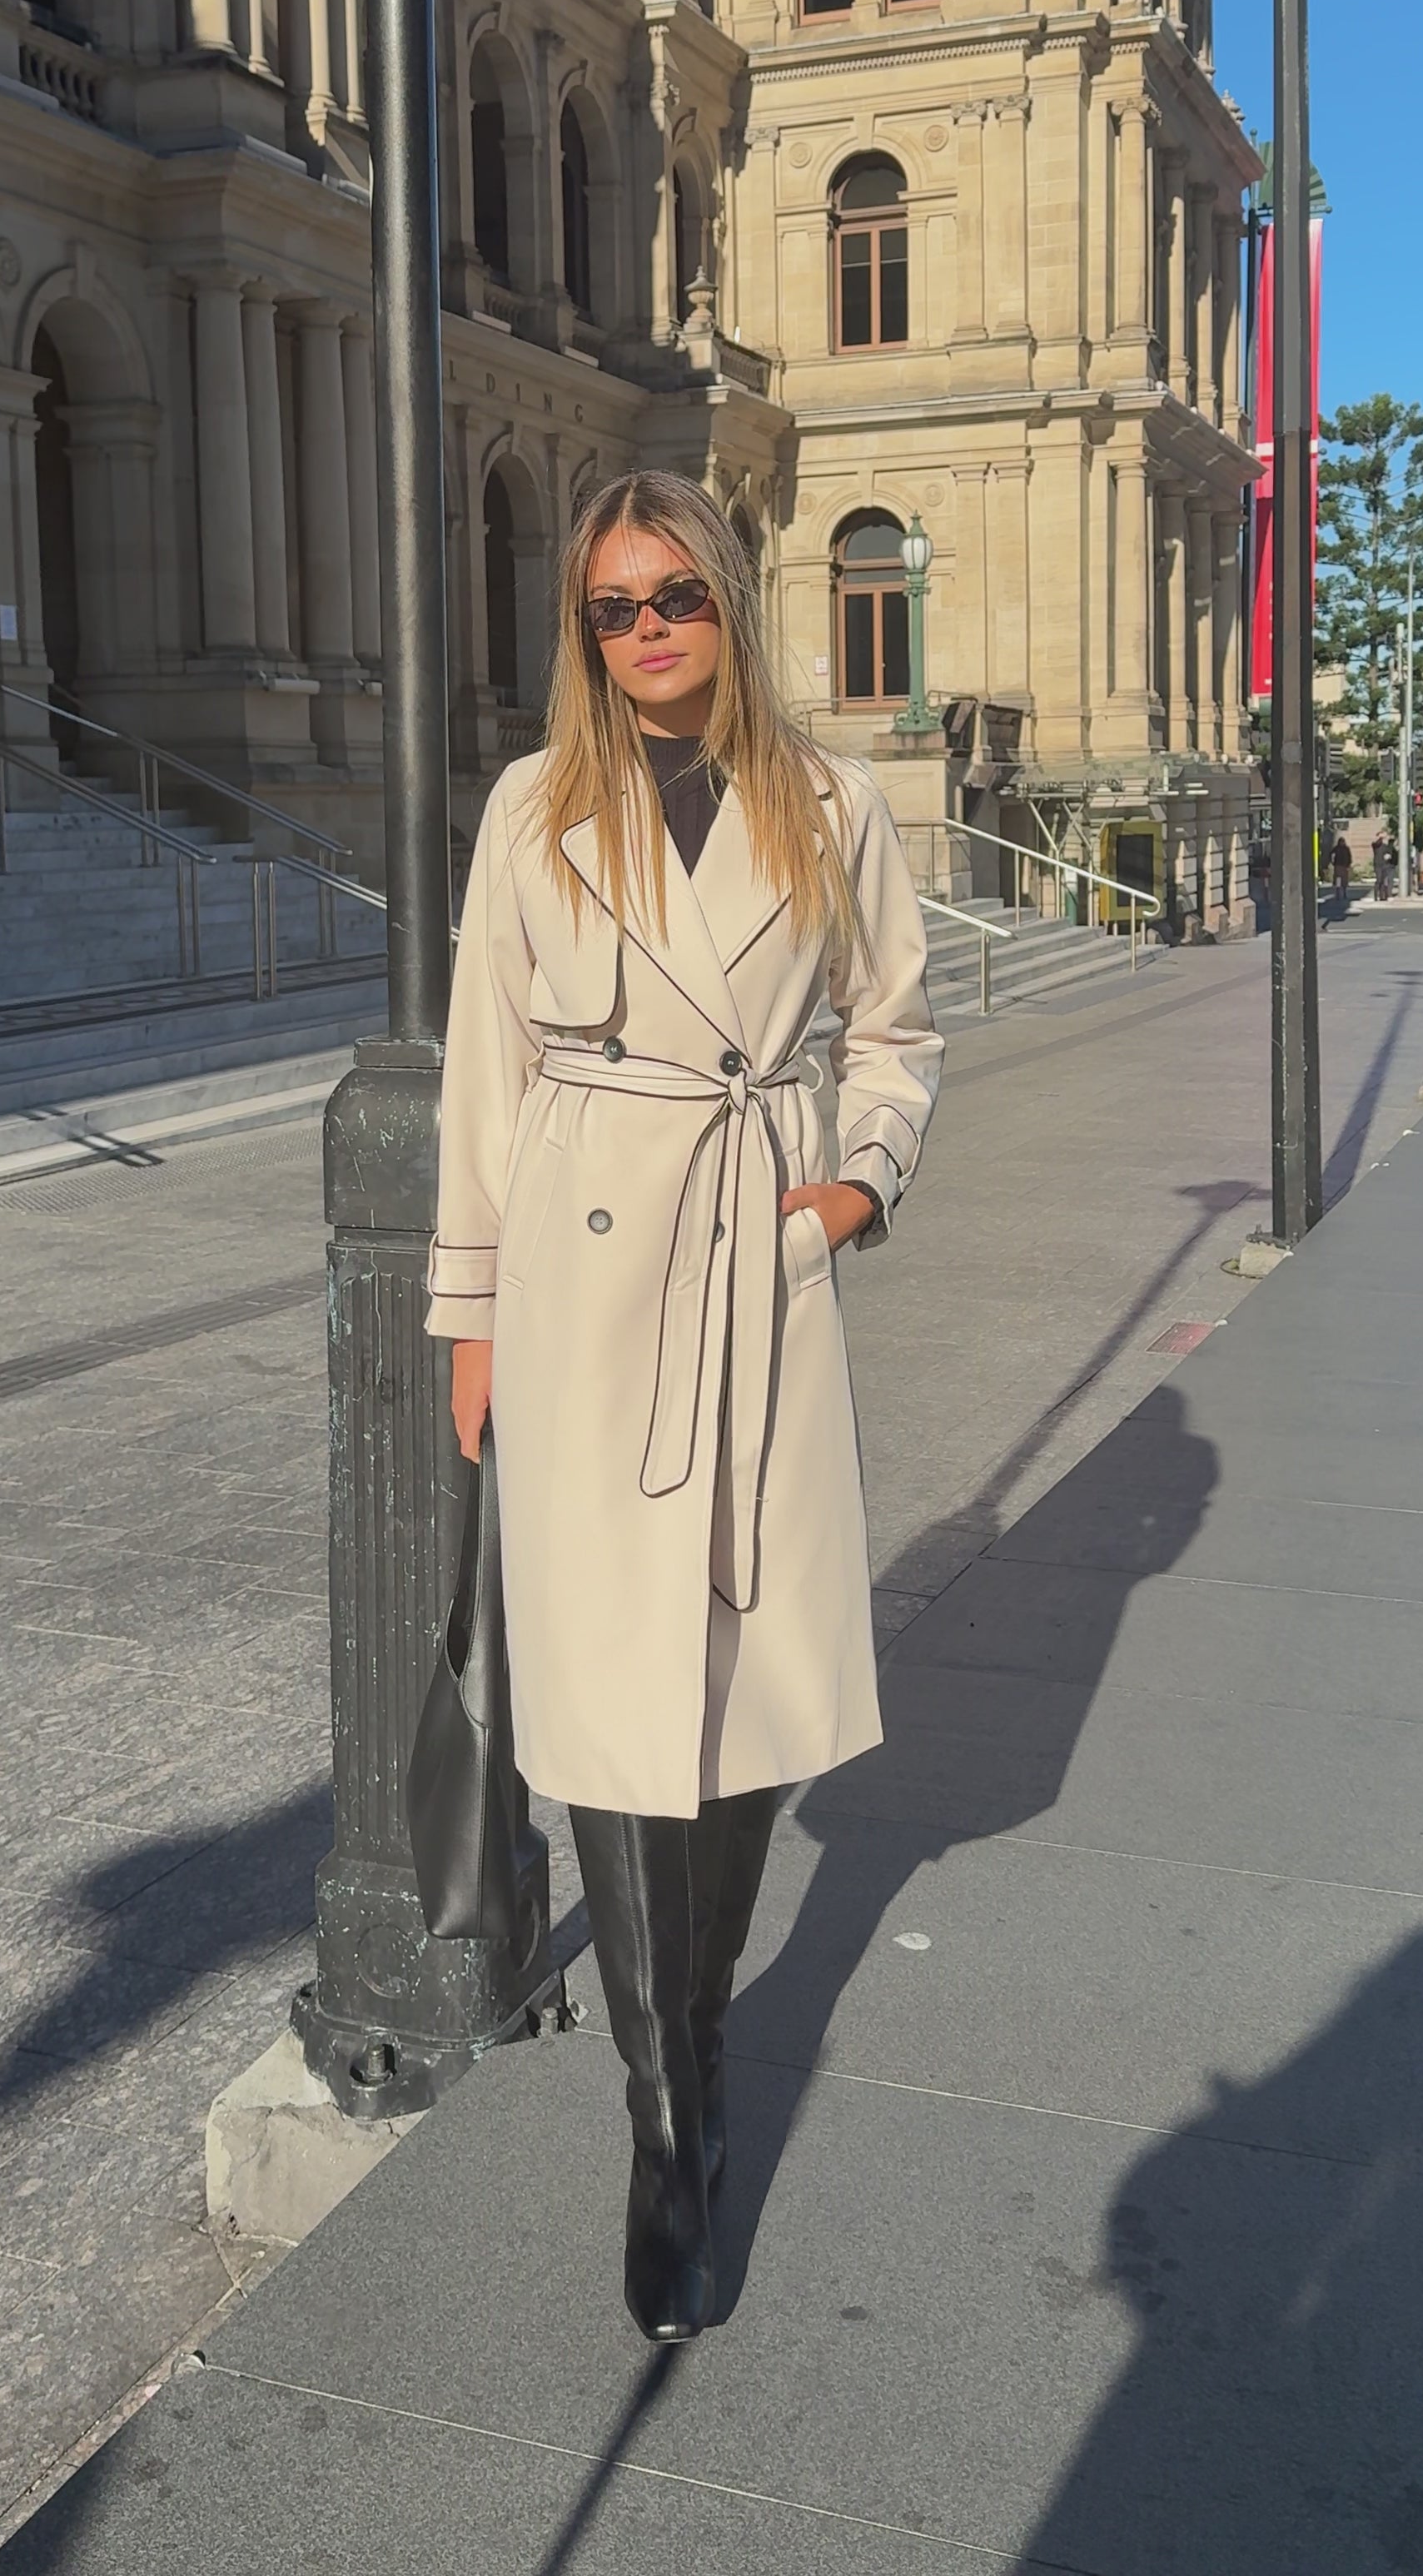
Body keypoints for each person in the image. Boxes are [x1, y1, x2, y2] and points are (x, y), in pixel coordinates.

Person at [425, 471, 941, 2345]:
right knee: (610, 1696)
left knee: (748, 1677)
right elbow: (484, 1074)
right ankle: (664, 2123)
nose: (645, 631)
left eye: (676, 599)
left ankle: (700, 2032)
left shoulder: (830, 802)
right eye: (611, 608)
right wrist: (470, 1314)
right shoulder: (530, 808)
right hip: (581, 1280)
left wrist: (853, 1190)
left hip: (756, 1262)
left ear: (730, 601)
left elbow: (896, 1025)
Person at [1330, 831, 1352, 911]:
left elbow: (1349, 857)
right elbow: (1331, 854)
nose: (1342, 843)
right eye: (1341, 842)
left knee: (1344, 881)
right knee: (1338, 880)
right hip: (1338, 866)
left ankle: (1344, 893)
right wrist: (1333, 862)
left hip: (1344, 866)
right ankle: (1338, 894)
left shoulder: (1346, 849)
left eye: (1343, 842)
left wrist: (1349, 864)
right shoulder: (1336, 848)